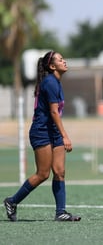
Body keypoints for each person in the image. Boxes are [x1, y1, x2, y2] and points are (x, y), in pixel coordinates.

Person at [3, 51, 81, 222]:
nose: (64, 61)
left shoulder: (57, 82)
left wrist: (60, 135)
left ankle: (61, 212)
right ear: (52, 66)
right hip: (41, 131)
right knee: (43, 174)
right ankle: (12, 201)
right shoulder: (50, 83)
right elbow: (54, 112)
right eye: (60, 60)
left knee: (60, 172)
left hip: (53, 131)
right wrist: (65, 136)